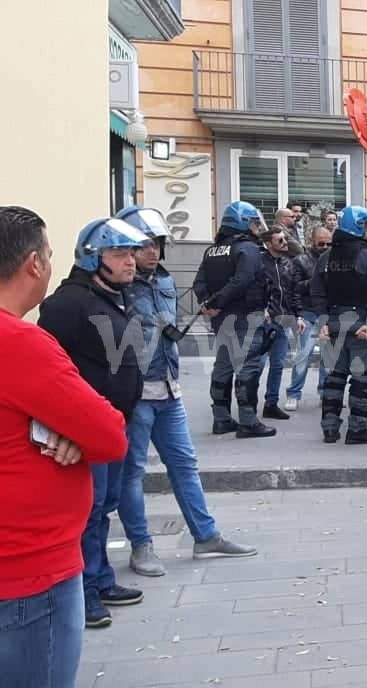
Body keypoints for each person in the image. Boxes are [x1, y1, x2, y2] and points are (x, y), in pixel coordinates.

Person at [0, 207, 128, 687]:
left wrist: (58, 424)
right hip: (28, 569)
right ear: (34, 264)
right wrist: (71, 428)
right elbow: (109, 435)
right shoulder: (19, 343)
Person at [112, 206, 257, 582]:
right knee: (132, 473)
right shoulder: (119, 286)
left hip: (169, 386)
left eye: (157, 244)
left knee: (184, 464)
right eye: (144, 245)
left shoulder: (162, 281)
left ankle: (205, 536)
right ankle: (141, 545)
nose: (153, 252)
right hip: (136, 391)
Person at [38, 217, 148, 629]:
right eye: (119, 254)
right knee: (87, 509)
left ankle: (101, 578)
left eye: (130, 253)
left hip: (117, 422)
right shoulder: (68, 303)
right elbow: (49, 367)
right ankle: (83, 592)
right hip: (85, 427)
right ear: (92, 257)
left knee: (104, 506)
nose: (130, 261)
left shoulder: (119, 296)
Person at [193, 201, 279, 438]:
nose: (256, 227)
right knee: (247, 368)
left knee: (223, 366)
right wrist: (216, 303)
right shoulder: (248, 248)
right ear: (242, 223)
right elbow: (243, 280)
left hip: (221, 319)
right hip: (246, 316)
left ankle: (221, 419)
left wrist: (210, 304)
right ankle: (248, 422)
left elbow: (198, 284)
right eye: (253, 222)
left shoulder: (212, 250)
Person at [311, 205, 367, 445]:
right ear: (357, 227)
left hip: (334, 325)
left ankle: (329, 428)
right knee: (362, 378)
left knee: (334, 379)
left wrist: (324, 322)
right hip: (361, 326)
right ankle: (357, 429)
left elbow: (316, 292)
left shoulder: (325, 258)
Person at [256, 226, 301, 422]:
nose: (284, 243)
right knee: (256, 364)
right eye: (280, 240)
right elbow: (253, 287)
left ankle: (271, 404)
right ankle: (247, 402)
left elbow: (293, 291)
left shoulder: (287, 263)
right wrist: (261, 309)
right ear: (268, 244)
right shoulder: (259, 262)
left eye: (285, 239)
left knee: (278, 364)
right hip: (264, 320)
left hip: (282, 318)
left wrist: (298, 316)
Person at [284, 227, 330, 411]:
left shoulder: (333, 260)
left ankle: (325, 392)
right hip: (309, 312)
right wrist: (299, 315)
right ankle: (294, 393)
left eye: (328, 243)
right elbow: (293, 288)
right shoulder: (301, 260)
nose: (325, 246)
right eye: (321, 243)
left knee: (328, 357)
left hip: (327, 313)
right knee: (304, 354)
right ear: (312, 241)